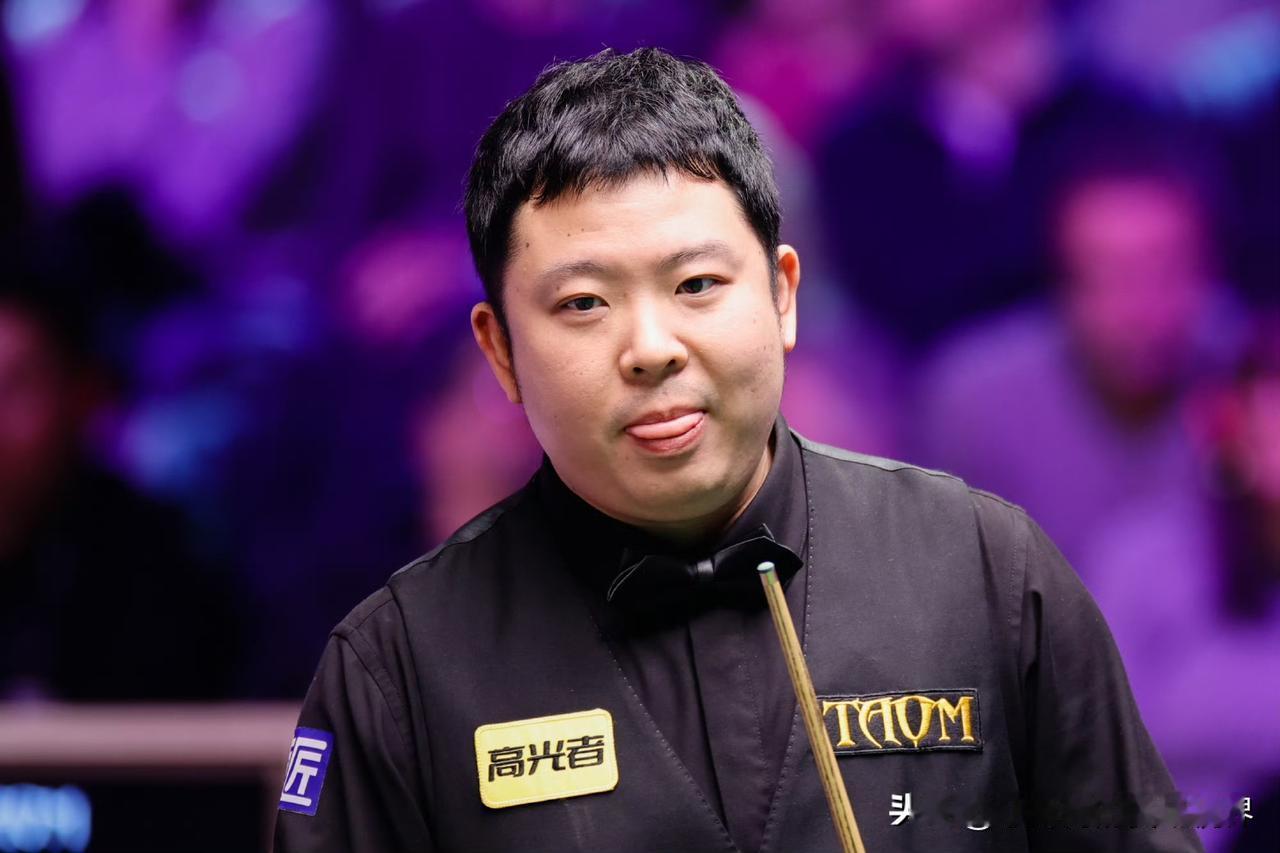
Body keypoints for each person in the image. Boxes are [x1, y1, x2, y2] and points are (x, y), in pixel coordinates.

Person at [273, 47, 1203, 852]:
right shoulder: (401, 665)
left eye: (697, 283)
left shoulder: (988, 574)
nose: (651, 348)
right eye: (583, 303)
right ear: (502, 351)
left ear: (784, 295)